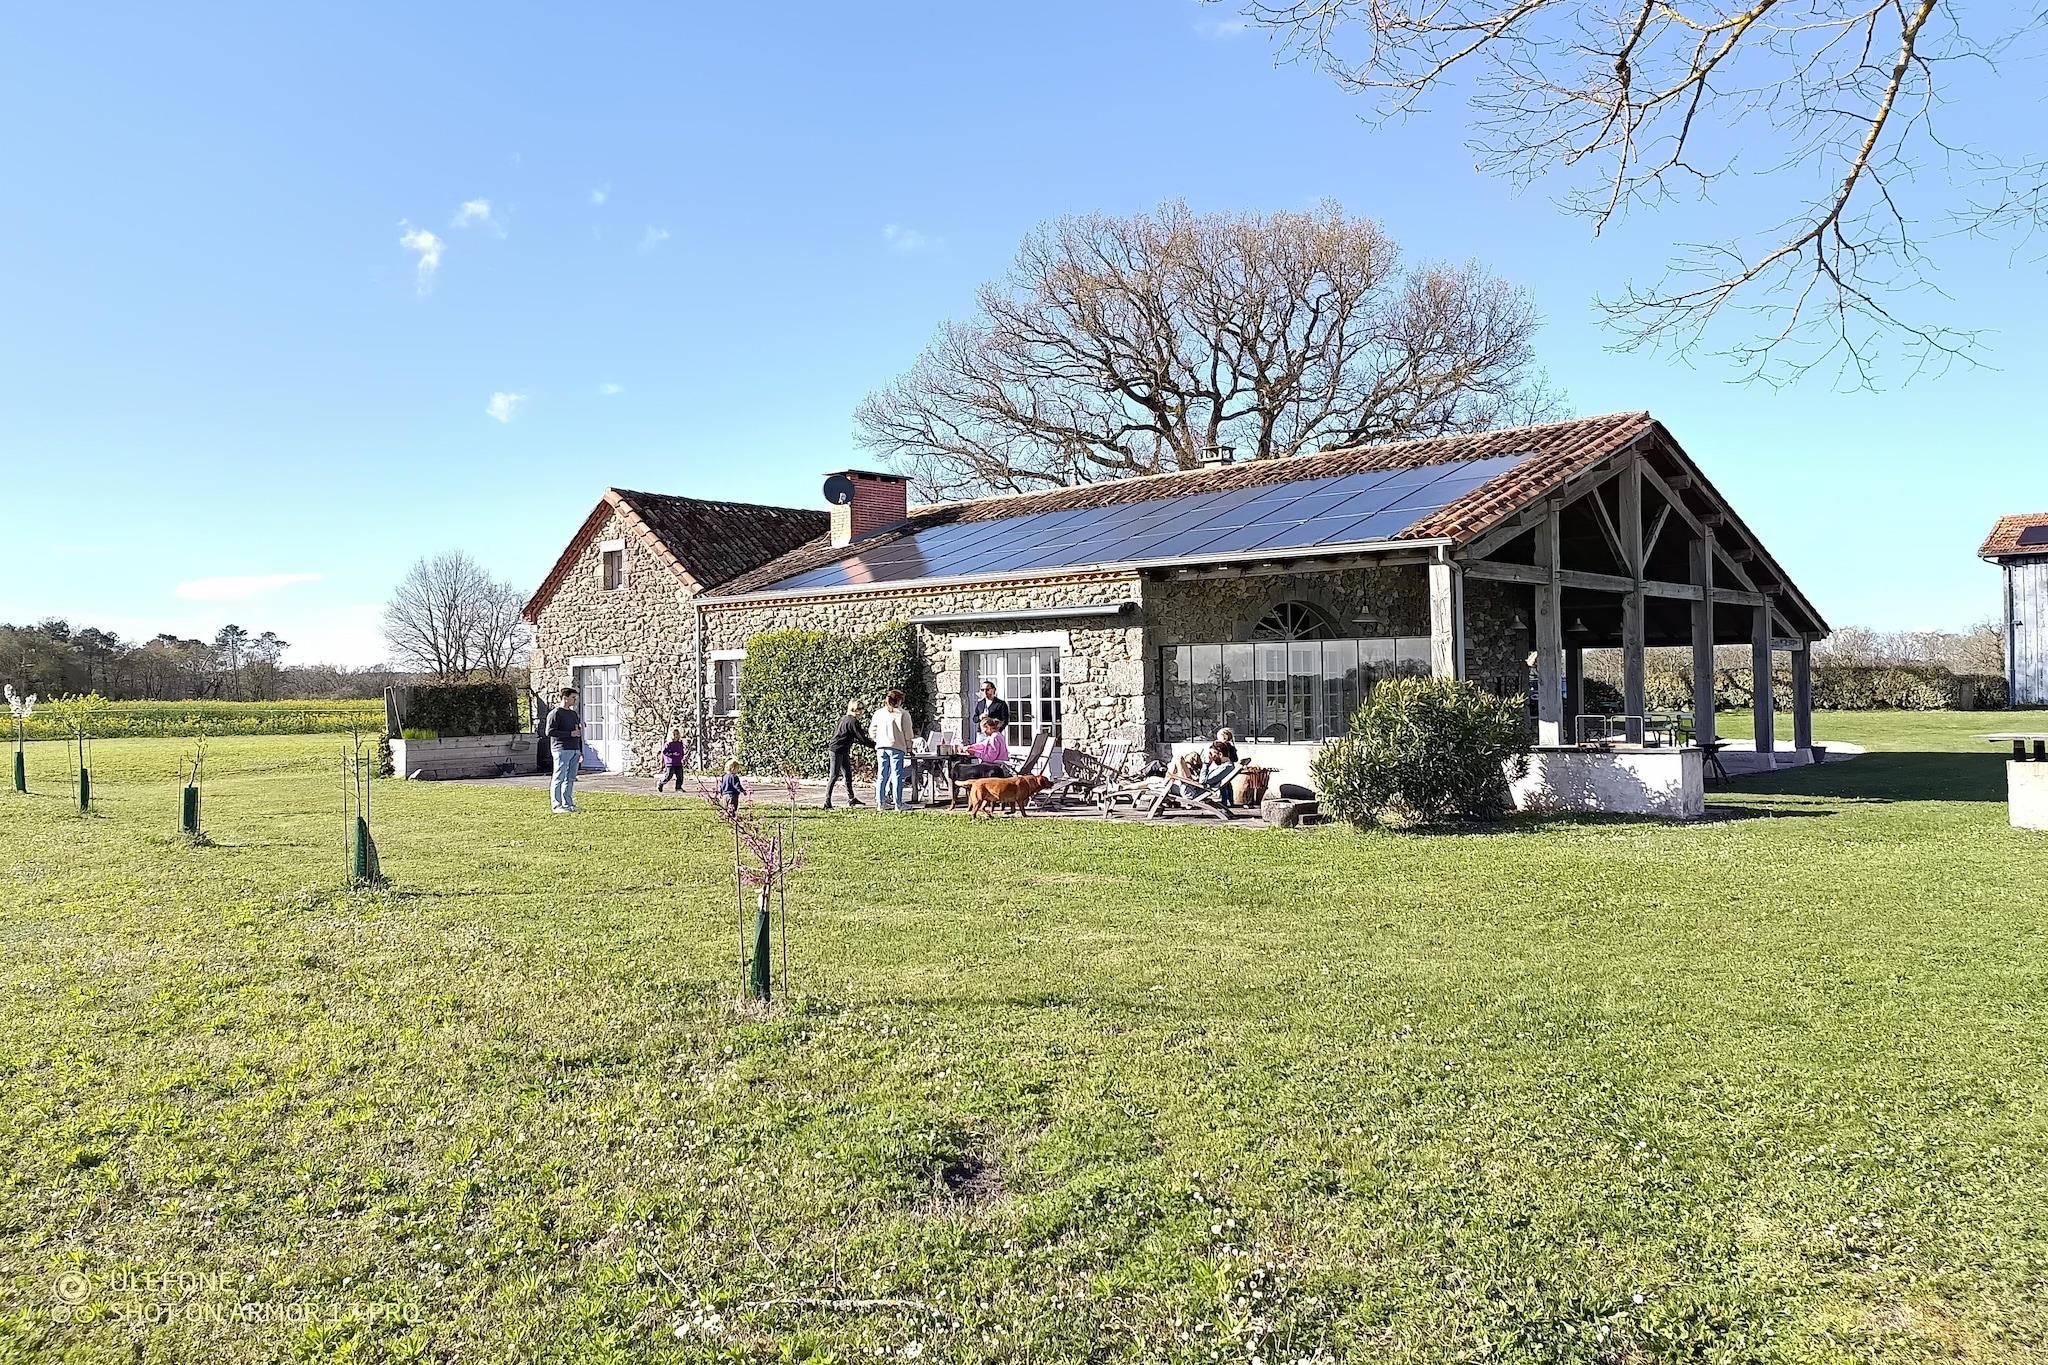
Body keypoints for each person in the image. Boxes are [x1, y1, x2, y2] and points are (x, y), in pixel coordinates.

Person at [869, 688, 915, 811]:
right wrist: (909, 747)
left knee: (882, 775)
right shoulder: (903, 714)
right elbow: (908, 733)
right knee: (897, 775)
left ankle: (880, 803)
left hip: (881, 746)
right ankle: (898, 803)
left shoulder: (879, 713)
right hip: (897, 746)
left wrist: (878, 739)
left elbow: (872, 730)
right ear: (899, 700)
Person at [825, 700, 872, 809]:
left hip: (843, 749)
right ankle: (827, 801)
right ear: (854, 709)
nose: (862, 711)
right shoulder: (853, 721)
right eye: (860, 709)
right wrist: (875, 745)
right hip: (837, 749)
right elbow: (862, 738)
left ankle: (851, 798)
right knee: (834, 775)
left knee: (847, 774)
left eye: (862, 708)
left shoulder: (844, 718)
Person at [544, 686, 583, 813]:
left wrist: (579, 750)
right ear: (565, 698)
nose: (575, 700)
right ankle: (557, 805)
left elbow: (577, 731)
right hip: (561, 749)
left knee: (570, 778)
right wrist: (569, 734)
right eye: (573, 697)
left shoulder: (573, 714)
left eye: (576, 697)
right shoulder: (555, 713)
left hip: (574, 749)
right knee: (559, 777)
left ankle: (568, 803)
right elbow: (549, 732)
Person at [952, 715, 1012, 780]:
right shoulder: (996, 735)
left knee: (971, 771)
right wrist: (970, 747)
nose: (983, 732)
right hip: (996, 765)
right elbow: (982, 745)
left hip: (995, 767)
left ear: (989, 727)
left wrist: (975, 753)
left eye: (983, 729)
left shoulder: (994, 737)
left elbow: (990, 758)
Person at [655, 726, 689, 793]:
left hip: (678, 762)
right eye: (674, 734)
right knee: (669, 775)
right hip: (670, 762)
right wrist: (672, 754)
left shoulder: (680, 743)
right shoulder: (668, 744)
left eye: (677, 734)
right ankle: (661, 783)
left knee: (680, 776)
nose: (676, 736)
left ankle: (678, 787)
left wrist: (683, 758)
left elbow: (681, 752)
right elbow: (665, 752)